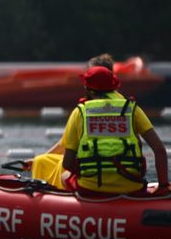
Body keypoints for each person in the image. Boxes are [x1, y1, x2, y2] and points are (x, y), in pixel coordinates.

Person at [56, 65, 169, 197]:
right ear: (114, 87)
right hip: (132, 187)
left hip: (91, 188)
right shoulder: (131, 109)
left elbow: (67, 163)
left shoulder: (79, 112)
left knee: (65, 176)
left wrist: (88, 172)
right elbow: (159, 149)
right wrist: (163, 186)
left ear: (89, 90)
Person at [29, 53, 118, 189]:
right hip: (122, 171)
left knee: (43, 163)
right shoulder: (129, 108)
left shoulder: (81, 111)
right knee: (41, 160)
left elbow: (67, 156)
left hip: (91, 173)